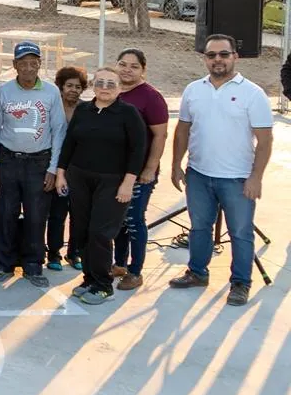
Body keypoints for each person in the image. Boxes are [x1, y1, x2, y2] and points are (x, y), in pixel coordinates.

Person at [168, 34, 273, 307]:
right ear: (204, 58)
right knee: (200, 227)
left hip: (238, 179)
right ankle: (197, 272)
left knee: (240, 233)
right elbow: (182, 131)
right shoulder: (193, 90)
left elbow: (265, 141)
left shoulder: (253, 93)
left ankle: (240, 283)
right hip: (199, 174)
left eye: (224, 54)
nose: (218, 60)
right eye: (211, 55)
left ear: (235, 56)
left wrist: (256, 177)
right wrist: (176, 165)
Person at [55, 67, 147, 306]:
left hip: (113, 182)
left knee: (100, 232)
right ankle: (89, 279)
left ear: (120, 88)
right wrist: (61, 174)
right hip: (80, 178)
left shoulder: (128, 113)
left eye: (111, 84)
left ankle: (104, 285)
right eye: (101, 83)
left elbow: (138, 151)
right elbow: (70, 143)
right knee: (82, 231)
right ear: (94, 86)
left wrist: (128, 182)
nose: (105, 87)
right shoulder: (84, 109)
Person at [0, 41, 67, 287]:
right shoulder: (4, 92)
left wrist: (53, 168)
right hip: (9, 159)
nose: (29, 67)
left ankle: (33, 266)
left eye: (34, 62)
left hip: (39, 162)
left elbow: (59, 131)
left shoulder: (51, 92)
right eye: (23, 63)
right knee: (6, 214)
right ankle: (3, 264)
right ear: (14, 65)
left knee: (36, 216)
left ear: (40, 64)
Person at [110, 49, 170, 292]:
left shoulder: (151, 97)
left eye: (134, 66)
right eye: (123, 64)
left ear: (143, 70)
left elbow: (160, 135)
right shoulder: (112, 91)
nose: (127, 70)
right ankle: (119, 264)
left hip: (139, 173)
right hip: (115, 171)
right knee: (120, 221)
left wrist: (150, 168)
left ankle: (135, 272)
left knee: (134, 220)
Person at [47, 66, 88, 272]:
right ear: (61, 87)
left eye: (78, 87)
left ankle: (75, 253)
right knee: (57, 213)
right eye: (69, 85)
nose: (73, 90)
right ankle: (53, 253)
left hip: (80, 169)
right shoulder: (53, 107)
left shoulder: (87, 109)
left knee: (79, 214)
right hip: (56, 167)